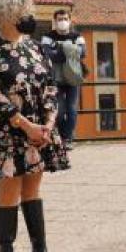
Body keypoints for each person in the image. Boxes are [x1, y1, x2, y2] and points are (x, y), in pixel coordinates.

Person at [0, 0, 70, 252]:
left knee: (32, 189)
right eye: (22, 13)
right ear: (6, 16)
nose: (28, 18)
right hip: (8, 129)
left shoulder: (36, 47)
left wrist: (48, 123)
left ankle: (40, 249)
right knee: (9, 189)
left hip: (39, 128)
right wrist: (26, 126)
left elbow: (50, 86)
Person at [40, 8, 87, 148]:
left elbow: (83, 53)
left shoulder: (77, 36)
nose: (63, 21)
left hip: (73, 78)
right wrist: (70, 50)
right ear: (55, 21)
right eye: (60, 19)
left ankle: (67, 139)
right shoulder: (48, 36)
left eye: (65, 19)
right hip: (56, 79)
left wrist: (60, 49)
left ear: (70, 20)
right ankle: (62, 137)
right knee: (59, 111)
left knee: (72, 110)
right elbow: (47, 54)